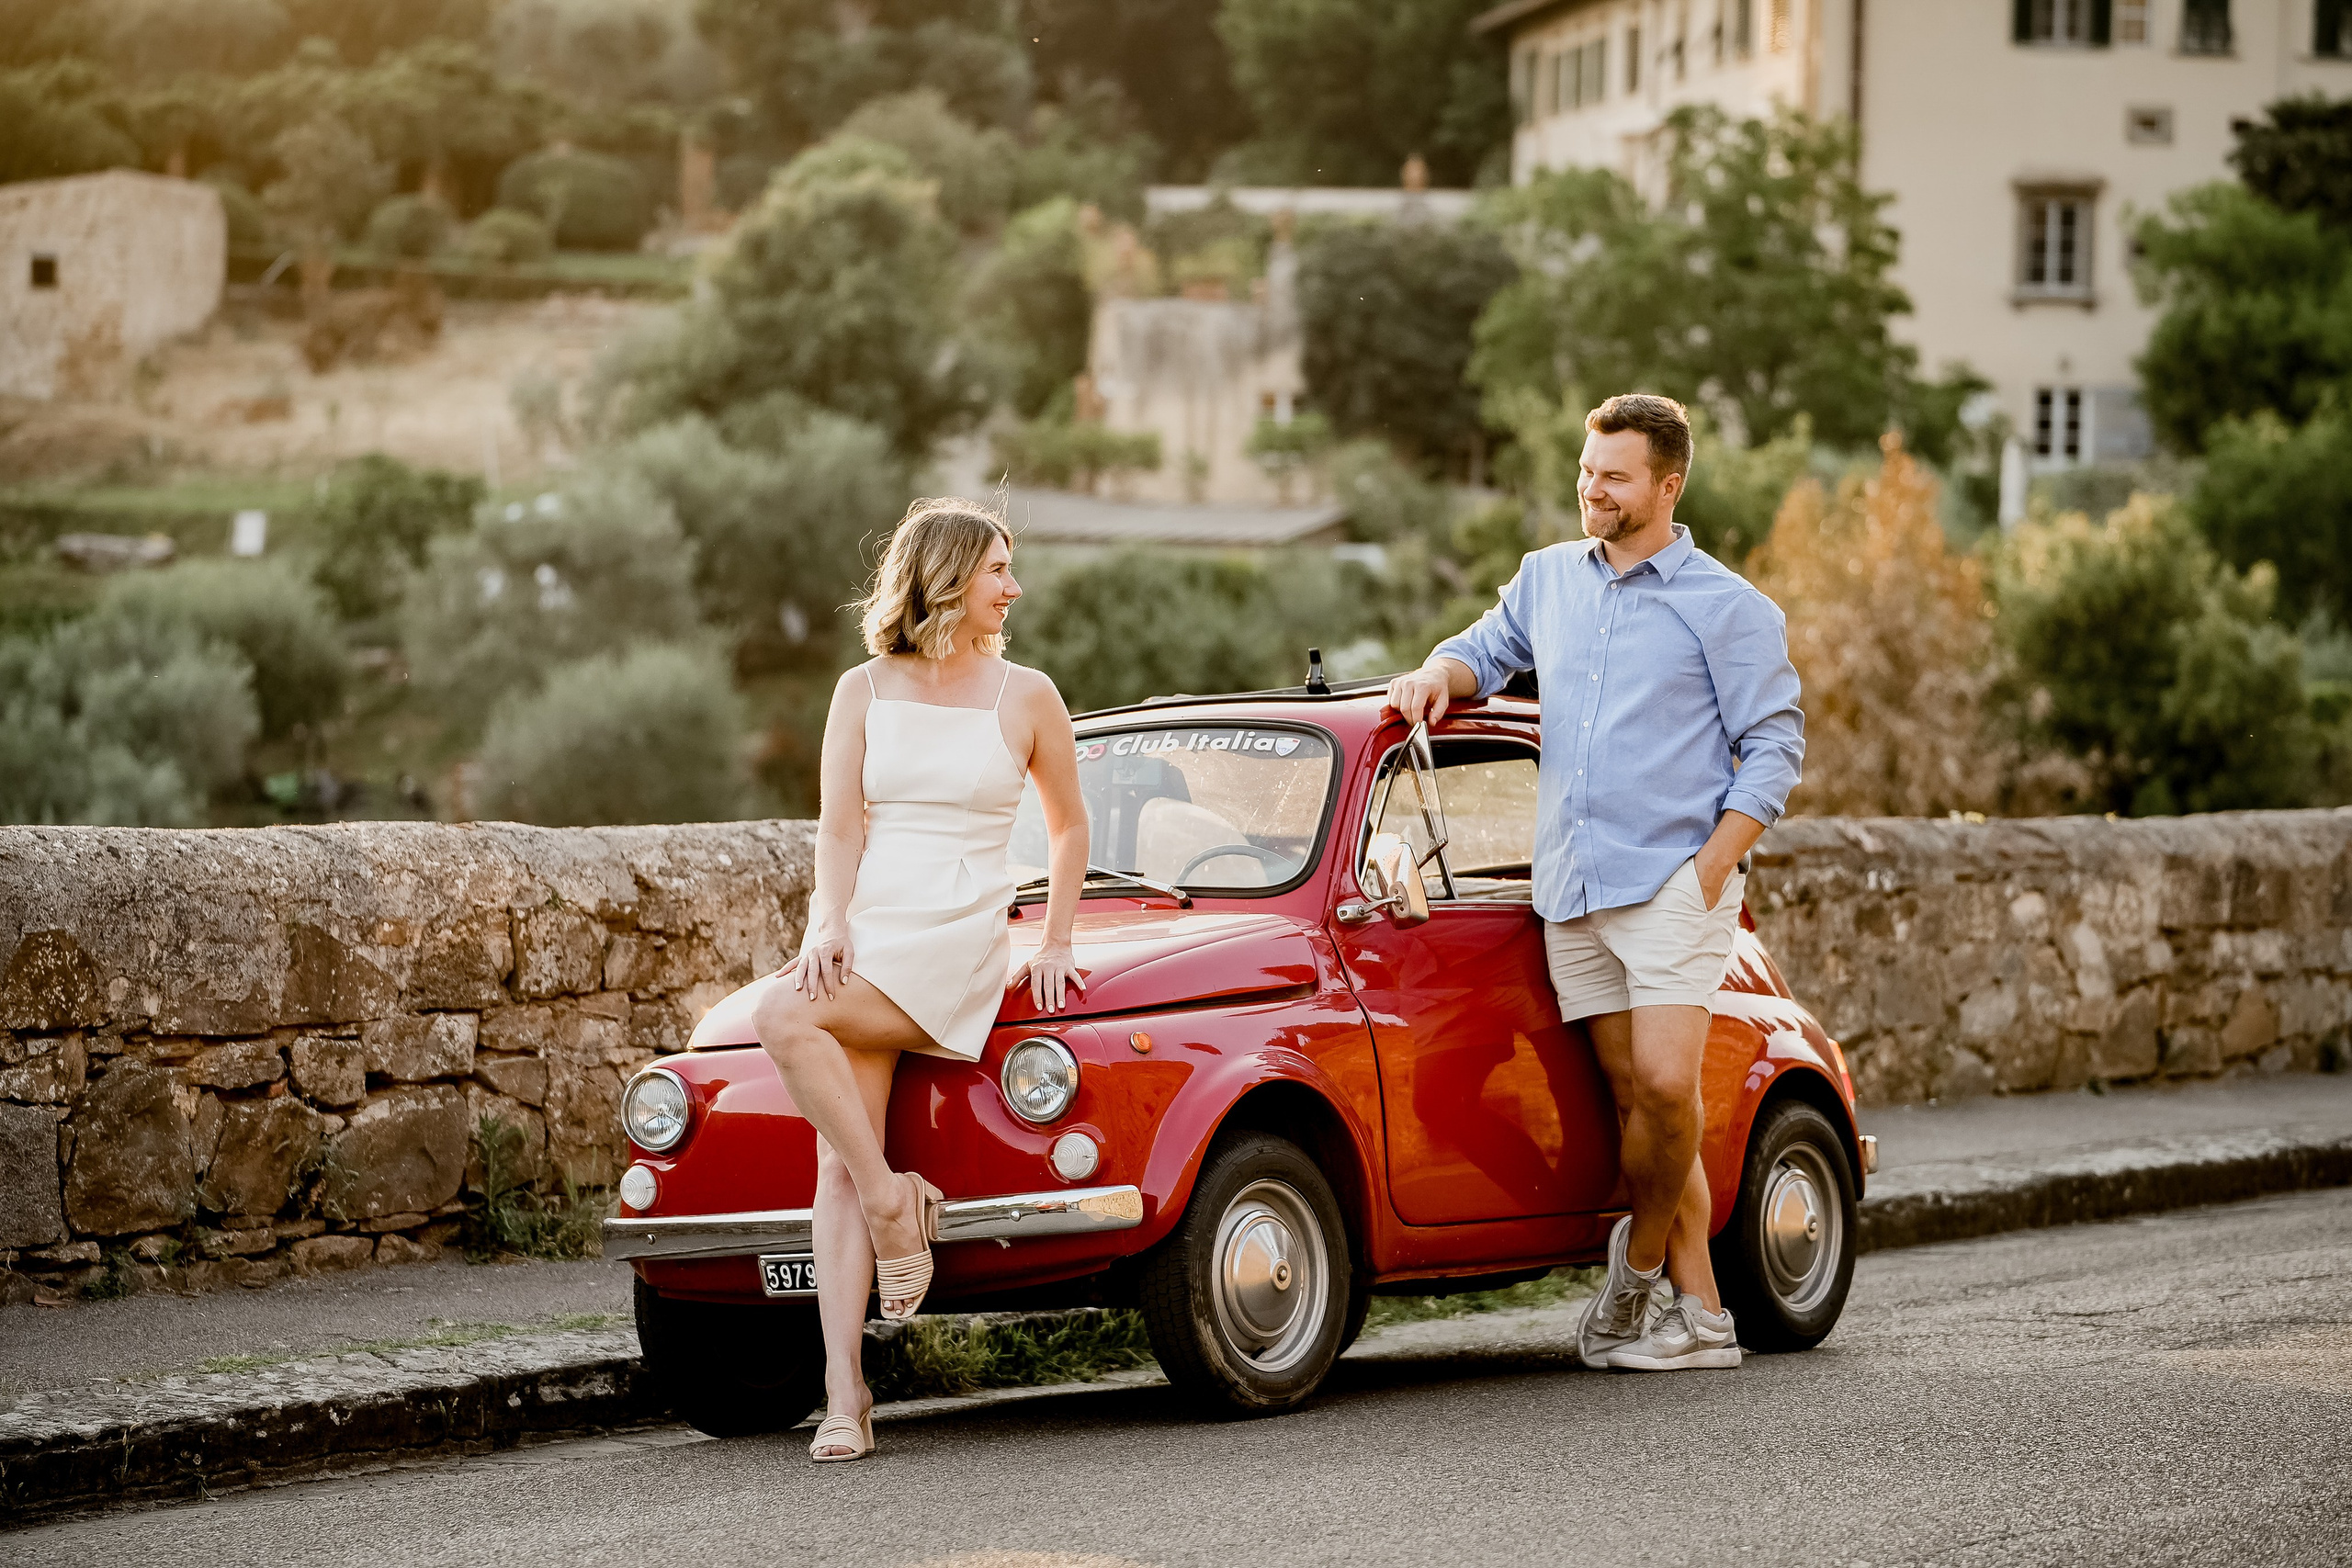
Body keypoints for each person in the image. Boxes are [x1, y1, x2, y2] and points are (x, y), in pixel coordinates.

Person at [1386, 393, 1804, 1372]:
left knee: (1665, 1090)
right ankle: (1703, 1317)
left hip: (1672, 885)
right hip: (1572, 890)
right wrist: (1435, 673)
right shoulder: (1547, 580)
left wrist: (1710, 869)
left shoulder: (1728, 606)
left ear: (1669, 485)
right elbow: (1484, 651)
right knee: (1633, 1104)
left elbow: (1775, 746)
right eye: (1587, 471)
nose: (1593, 489)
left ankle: (1636, 1270)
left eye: (1615, 477)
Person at [752, 499, 1089, 1460]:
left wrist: (1056, 940)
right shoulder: (861, 688)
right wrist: (828, 921)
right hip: (872, 925)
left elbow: (1068, 826)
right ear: (945, 576)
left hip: (957, 929)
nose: (1014, 587)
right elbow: (839, 828)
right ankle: (845, 1397)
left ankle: (894, 1203)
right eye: (997, 569)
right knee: (836, 1162)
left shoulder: (1028, 693)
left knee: (783, 1016)